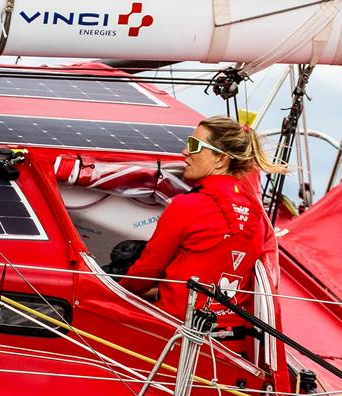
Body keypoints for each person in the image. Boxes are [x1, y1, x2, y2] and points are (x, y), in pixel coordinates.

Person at [119, 116, 287, 329]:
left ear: (221, 159)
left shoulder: (187, 206)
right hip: (228, 343)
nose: (185, 152)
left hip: (176, 337)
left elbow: (144, 274)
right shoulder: (259, 217)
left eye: (194, 145)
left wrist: (115, 289)